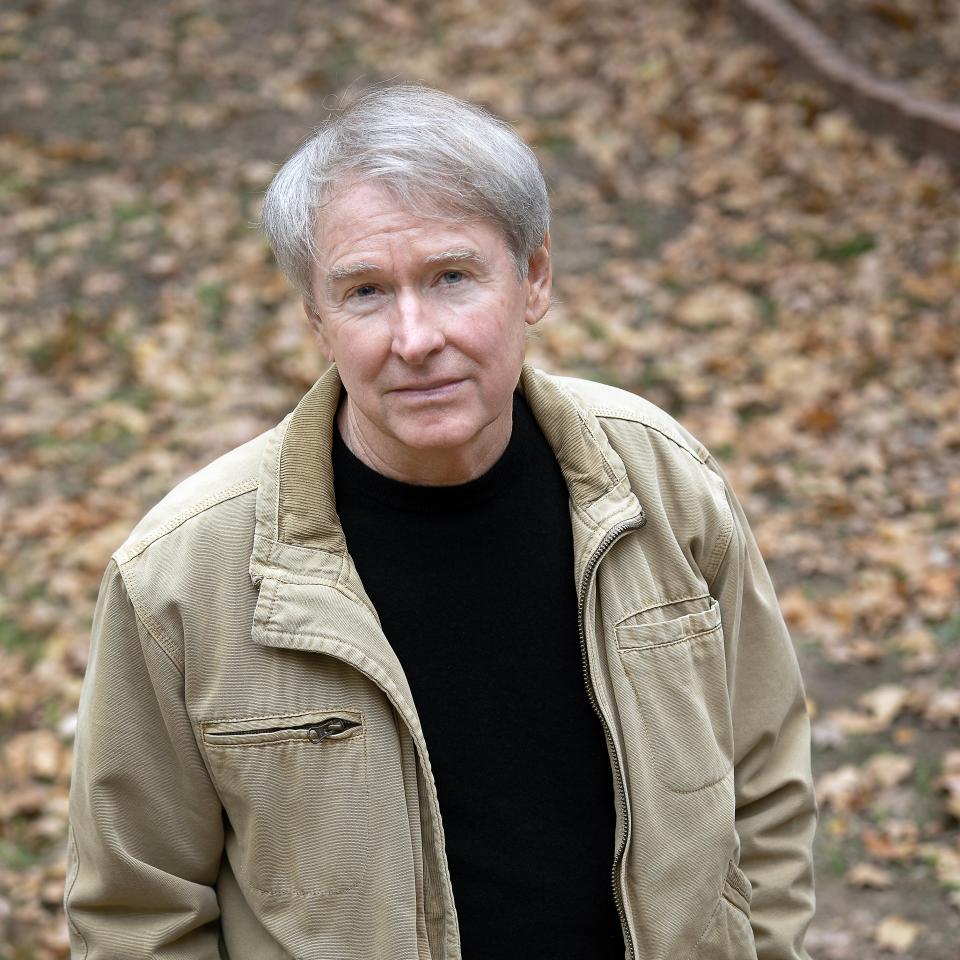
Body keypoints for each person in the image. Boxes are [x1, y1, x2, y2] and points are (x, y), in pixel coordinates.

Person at [64, 84, 817, 960]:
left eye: (451, 277)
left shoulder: (663, 482)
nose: (414, 337)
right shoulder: (180, 579)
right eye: (365, 292)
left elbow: (762, 783)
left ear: (533, 278)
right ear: (317, 320)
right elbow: (134, 914)